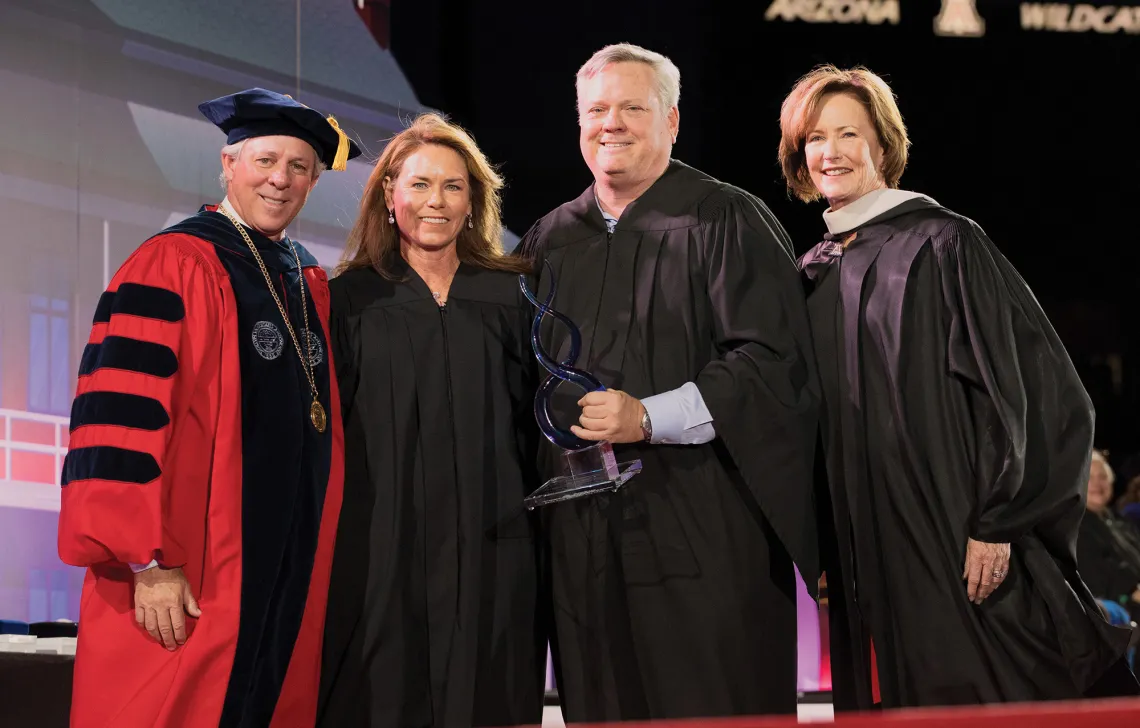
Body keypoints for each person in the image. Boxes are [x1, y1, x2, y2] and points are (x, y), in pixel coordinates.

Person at [781, 65, 1138, 709]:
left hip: (951, 526)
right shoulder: (813, 271)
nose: (829, 152)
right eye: (814, 138)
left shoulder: (944, 243)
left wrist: (998, 520)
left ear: (882, 146)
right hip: (864, 538)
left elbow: (1035, 390)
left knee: (980, 689)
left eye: (847, 134)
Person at [519, 43, 820, 721]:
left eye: (633, 107)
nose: (611, 123)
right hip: (585, 546)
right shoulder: (550, 238)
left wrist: (646, 419)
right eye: (596, 109)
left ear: (672, 120)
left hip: (704, 536)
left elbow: (771, 362)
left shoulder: (725, 219)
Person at [57, 88, 360, 728]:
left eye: (299, 167)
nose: (281, 179)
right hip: (188, 572)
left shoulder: (304, 280)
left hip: (283, 569)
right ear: (229, 164)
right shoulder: (175, 262)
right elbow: (118, 417)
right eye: (265, 160)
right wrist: (145, 561)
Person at [317, 113, 546, 728]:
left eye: (452, 185)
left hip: (493, 549)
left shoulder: (514, 297)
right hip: (381, 553)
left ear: (473, 200)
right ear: (389, 197)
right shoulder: (348, 302)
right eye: (418, 184)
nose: (435, 201)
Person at [1079, 450, 1140, 621]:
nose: (1098, 484)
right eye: (1090, 478)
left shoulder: (1120, 522)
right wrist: (1131, 592)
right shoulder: (1072, 528)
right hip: (1114, 618)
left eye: (1103, 477)